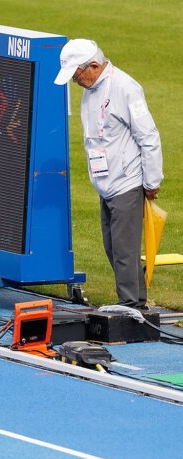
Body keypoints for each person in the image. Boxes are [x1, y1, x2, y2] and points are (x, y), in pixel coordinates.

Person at [55, 39, 163, 309]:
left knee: (124, 251)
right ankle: (136, 303)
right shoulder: (91, 90)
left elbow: (148, 137)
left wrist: (151, 181)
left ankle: (130, 306)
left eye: (77, 75)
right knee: (112, 247)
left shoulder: (125, 88)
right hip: (105, 182)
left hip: (127, 182)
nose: (76, 81)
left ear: (93, 66)